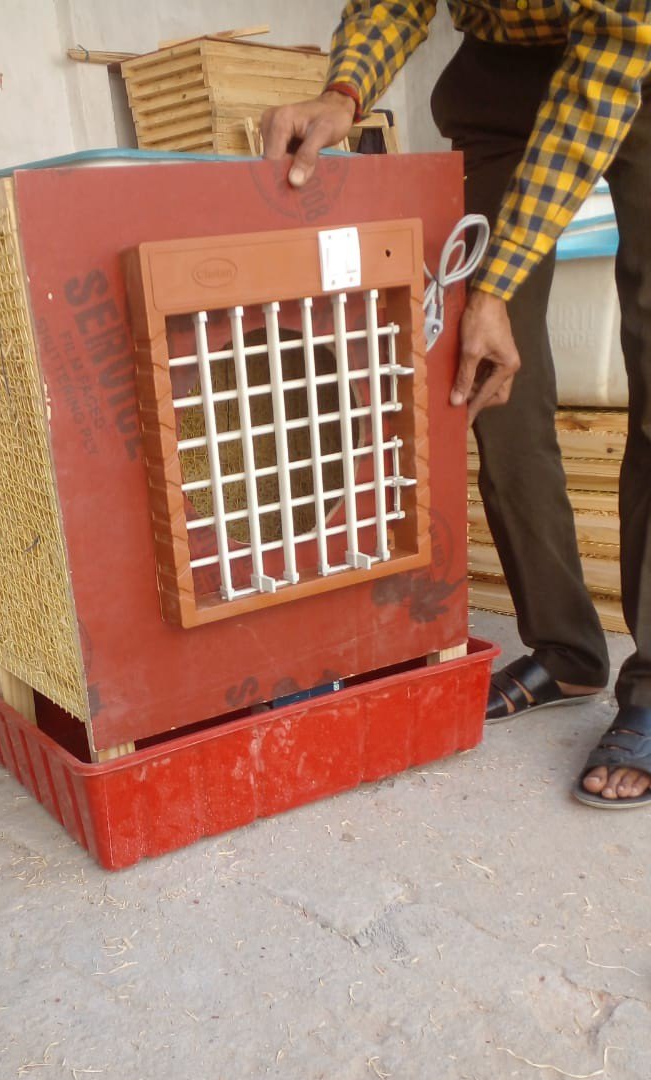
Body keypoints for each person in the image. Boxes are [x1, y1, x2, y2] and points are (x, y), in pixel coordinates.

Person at [261, 2, 651, 810]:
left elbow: (601, 79)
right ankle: (566, 650)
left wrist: (498, 283)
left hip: (630, 63)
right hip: (502, 78)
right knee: (486, 374)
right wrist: (345, 91)